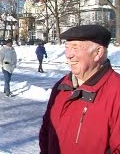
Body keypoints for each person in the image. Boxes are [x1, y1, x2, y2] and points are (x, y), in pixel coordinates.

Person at [39, 25, 120, 153]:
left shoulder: (116, 92)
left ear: (98, 52)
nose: (68, 55)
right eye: (67, 48)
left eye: (75, 48)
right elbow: (46, 132)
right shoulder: (61, 86)